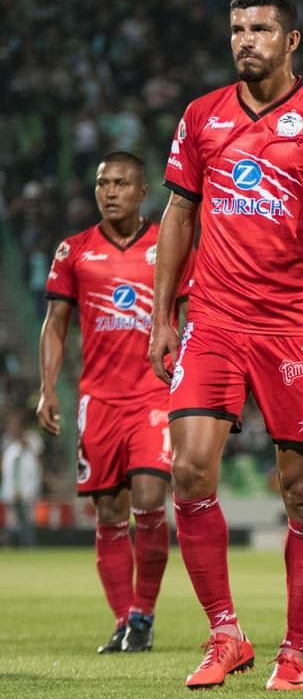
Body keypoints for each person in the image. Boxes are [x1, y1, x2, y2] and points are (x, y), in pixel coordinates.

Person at [148, 0, 303, 691]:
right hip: (213, 316)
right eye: (238, 28)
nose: (247, 40)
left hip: (292, 323)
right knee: (187, 470)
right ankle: (226, 633)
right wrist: (162, 313)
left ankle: (296, 648)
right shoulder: (200, 116)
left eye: (262, 29)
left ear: (292, 40)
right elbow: (179, 216)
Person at [39, 151, 174, 653]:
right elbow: (55, 325)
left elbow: (190, 315)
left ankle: (144, 613)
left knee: (148, 500)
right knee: (110, 512)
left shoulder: (169, 245)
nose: (109, 191)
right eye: (102, 183)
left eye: (120, 183)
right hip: (98, 401)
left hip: (154, 395)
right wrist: (49, 388)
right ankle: (124, 621)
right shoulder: (73, 251)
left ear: (143, 192)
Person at [2, 410, 43, 548]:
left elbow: (36, 460)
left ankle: (28, 546)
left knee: (27, 520)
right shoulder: (9, 445)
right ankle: (12, 545)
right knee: (12, 521)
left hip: (27, 489)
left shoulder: (31, 442)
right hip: (11, 490)